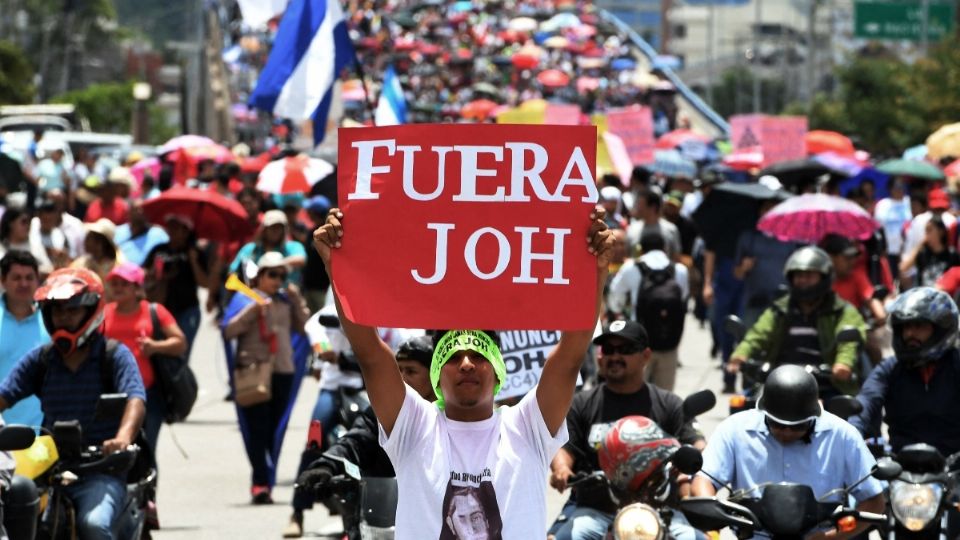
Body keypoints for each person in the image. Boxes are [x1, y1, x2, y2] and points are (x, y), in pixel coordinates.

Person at [311, 206, 615, 539]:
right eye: (453, 358)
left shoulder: (526, 427)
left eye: (479, 356)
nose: (467, 364)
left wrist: (595, 273)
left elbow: (569, 357)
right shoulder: (414, 426)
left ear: (499, 373)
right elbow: (370, 355)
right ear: (436, 376)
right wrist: (337, 268)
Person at [0, 267, 146, 540]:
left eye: (71, 311)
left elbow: (135, 398)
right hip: (48, 471)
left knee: (93, 524)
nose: (63, 318)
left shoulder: (113, 355)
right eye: (57, 312)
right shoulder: (42, 359)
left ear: (91, 311)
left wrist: (122, 438)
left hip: (100, 470)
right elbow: (4, 395)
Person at [548, 320, 704, 540]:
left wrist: (694, 459)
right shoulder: (581, 404)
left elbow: (696, 442)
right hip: (596, 511)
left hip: (661, 511)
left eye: (626, 349)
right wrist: (562, 469)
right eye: (608, 350)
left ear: (646, 356)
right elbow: (564, 447)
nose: (615, 356)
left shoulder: (669, 404)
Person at [692, 365, 885, 540]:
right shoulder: (734, 429)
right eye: (778, 425)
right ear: (765, 412)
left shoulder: (843, 435)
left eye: (796, 427)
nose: (786, 432)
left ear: (812, 417)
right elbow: (704, 479)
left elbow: (874, 500)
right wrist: (711, 518)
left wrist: (831, 537)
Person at [286, 335, 437, 538]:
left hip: (433, 522)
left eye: (410, 371)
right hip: (333, 390)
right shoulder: (380, 414)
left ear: (436, 374)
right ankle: (297, 511)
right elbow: (356, 440)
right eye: (398, 371)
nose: (401, 379)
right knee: (317, 428)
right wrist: (326, 465)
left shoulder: (450, 418)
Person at [223, 252, 309, 504]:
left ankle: (265, 481)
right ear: (260, 276)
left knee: (274, 429)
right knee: (257, 429)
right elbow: (228, 331)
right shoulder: (244, 299)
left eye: (282, 275)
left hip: (282, 371)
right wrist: (252, 311)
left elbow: (305, 328)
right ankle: (259, 482)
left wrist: (297, 300)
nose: (278, 280)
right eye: (272, 274)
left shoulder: (285, 301)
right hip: (253, 371)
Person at [729, 246, 867, 396]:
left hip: (827, 385)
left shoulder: (842, 310)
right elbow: (759, 333)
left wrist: (843, 364)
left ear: (824, 277)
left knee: (853, 414)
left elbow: (848, 342)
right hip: (780, 383)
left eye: (809, 276)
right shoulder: (780, 309)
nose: (802, 281)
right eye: (798, 276)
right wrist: (741, 354)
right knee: (745, 407)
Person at [850, 287, 960, 456]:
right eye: (905, 327)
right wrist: (851, 432)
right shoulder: (890, 368)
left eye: (919, 326)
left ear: (940, 329)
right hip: (900, 469)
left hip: (954, 468)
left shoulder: (956, 363)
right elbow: (866, 401)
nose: (909, 334)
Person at [102, 262, 186, 451]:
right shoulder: (104, 314)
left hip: (149, 394)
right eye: (114, 283)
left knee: (146, 448)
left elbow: (180, 342)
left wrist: (155, 346)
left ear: (137, 288)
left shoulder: (154, 311)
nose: (118, 288)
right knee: (115, 448)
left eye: (124, 284)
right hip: (111, 393)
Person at [607, 232, 688, 390]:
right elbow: (683, 298)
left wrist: (623, 311)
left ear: (641, 249)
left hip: (639, 345)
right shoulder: (680, 270)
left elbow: (615, 301)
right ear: (665, 248)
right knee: (665, 398)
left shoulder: (631, 268)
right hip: (670, 343)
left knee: (635, 395)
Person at [143, 214, 209, 361]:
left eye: (176, 227)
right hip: (161, 310)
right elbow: (143, 275)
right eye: (170, 226)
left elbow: (204, 283)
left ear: (185, 231)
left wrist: (193, 261)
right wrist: (153, 272)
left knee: (181, 354)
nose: (171, 230)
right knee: (160, 355)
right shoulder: (159, 250)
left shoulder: (194, 252)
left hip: (187, 309)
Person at [733, 199, 800, 327]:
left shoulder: (791, 239)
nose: (770, 214)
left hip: (782, 303)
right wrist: (744, 267)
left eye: (774, 210)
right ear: (760, 212)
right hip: (754, 303)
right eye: (767, 209)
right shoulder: (748, 238)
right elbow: (737, 274)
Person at [0, 251, 47, 426]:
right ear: (3, 280)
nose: (24, 283)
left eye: (29, 277)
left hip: (42, 434)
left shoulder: (52, 321)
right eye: (16, 278)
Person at [230, 209, 307, 286]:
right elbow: (233, 271)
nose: (275, 231)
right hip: (254, 294)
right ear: (264, 229)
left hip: (285, 295)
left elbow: (301, 260)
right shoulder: (251, 249)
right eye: (272, 227)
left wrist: (271, 265)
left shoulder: (293, 246)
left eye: (279, 228)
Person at [900, 216, 960, 288]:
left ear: (941, 232)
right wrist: (920, 245)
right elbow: (904, 268)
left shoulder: (952, 254)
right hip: (923, 294)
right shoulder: (923, 253)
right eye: (926, 231)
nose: (926, 235)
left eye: (929, 230)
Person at [625, 189, 681, 259]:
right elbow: (627, 256)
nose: (637, 208)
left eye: (640, 205)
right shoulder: (632, 229)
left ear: (653, 207)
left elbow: (676, 257)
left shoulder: (671, 230)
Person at [873, 177, 911, 279]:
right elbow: (877, 226)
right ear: (890, 189)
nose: (899, 189)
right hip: (888, 250)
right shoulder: (882, 204)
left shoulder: (909, 202)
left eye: (902, 187)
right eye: (896, 187)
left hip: (906, 250)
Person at [113, 199, 169, 267]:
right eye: (137, 209)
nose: (140, 212)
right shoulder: (117, 232)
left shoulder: (158, 234)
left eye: (143, 209)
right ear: (129, 212)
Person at [0, 207, 54, 276]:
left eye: (29, 222)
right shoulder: (1, 248)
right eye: (24, 222)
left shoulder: (35, 246)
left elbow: (49, 268)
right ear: (10, 223)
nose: (28, 226)